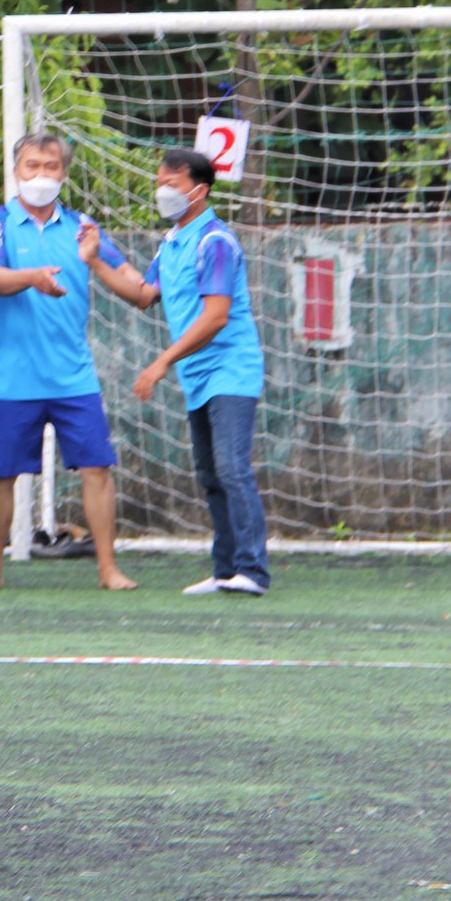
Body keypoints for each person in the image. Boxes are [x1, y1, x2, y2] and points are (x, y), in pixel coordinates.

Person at [84, 147, 269, 596]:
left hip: (230, 369)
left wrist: (162, 361)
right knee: (209, 473)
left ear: (199, 190)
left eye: (172, 183)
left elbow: (216, 316)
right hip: (198, 375)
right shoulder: (172, 242)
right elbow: (144, 294)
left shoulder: (215, 242)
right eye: (160, 181)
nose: (162, 190)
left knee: (231, 467)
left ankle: (253, 570)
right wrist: (93, 260)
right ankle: (226, 571)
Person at [0, 133, 138, 592]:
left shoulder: (84, 227)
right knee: (0, 476)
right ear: (16, 170)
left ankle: (108, 570)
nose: (41, 175)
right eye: (32, 166)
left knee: (97, 469)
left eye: (50, 167)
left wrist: (97, 260)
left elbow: (131, 283)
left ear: (64, 173)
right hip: (13, 377)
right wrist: (33, 278)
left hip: (73, 376)